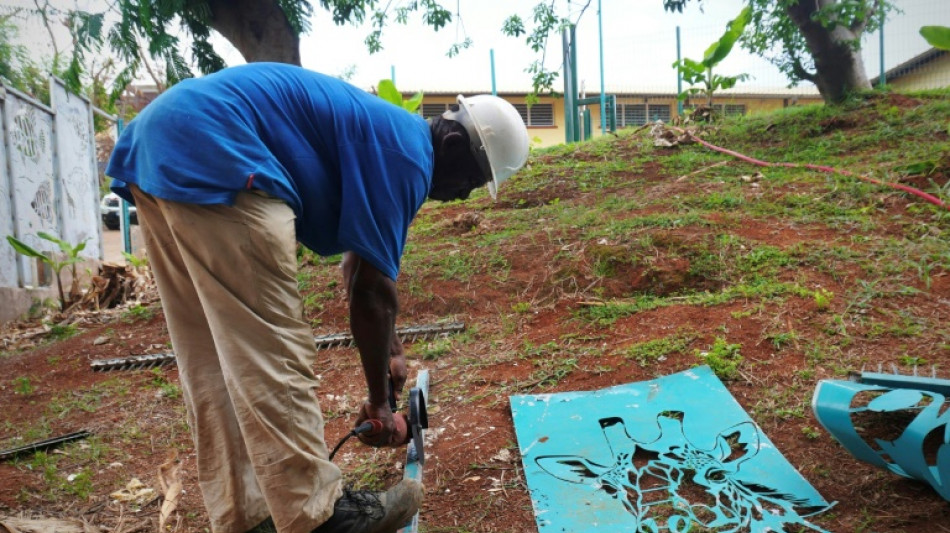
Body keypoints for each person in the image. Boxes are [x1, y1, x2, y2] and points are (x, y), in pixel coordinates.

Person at [105, 62, 529, 533]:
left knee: (211, 358)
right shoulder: (410, 158)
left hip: (163, 145)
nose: (461, 197)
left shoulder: (390, 137)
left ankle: (249, 517)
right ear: (451, 146)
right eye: (469, 183)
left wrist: (390, 352)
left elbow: (357, 266)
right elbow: (372, 293)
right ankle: (316, 516)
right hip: (221, 152)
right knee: (274, 348)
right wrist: (380, 405)